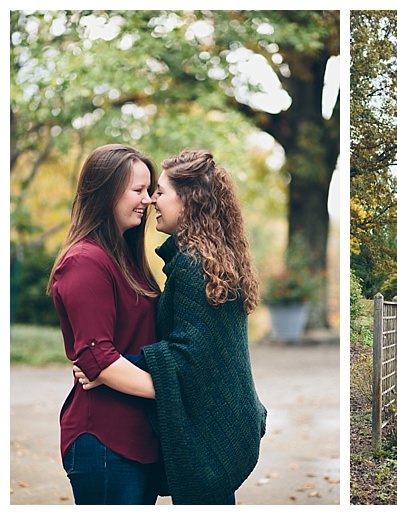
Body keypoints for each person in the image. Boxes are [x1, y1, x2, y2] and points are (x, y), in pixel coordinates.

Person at [75, 149, 267, 505]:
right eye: (146, 192)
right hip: (211, 429)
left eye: (160, 192)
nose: (151, 202)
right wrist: (112, 367)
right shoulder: (208, 262)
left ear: (189, 200)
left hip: (209, 435)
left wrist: (117, 368)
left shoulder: (195, 268)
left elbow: (191, 357)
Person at [47, 144, 164, 504]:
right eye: (137, 190)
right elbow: (99, 359)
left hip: (138, 439)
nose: (148, 200)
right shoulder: (85, 261)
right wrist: (175, 393)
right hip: (103, 442)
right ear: (106, 191)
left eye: (149, 189)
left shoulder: (128, 260)